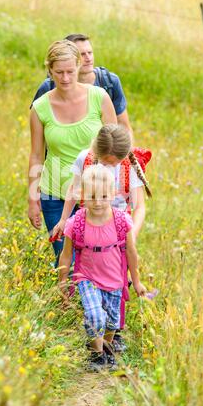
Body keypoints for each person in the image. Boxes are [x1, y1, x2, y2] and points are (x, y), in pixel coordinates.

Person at [52, 124, 152, 352]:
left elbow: (139, 207)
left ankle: (114, 331)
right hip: (89, 222)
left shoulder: (129, 165)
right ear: (97, 152)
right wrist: (63, 219)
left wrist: (131, 236)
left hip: (119, 228)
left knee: (118, 277)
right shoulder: (84, 159)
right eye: (106, 162)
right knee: (89, 268)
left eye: (114, 163)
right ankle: (91, 321)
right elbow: (73, 190)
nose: (110, 167)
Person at [28, 40, 117, 264]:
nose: (65, 78)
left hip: (94, 193)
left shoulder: (99, 98)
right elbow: (37, 155)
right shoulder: (40, 108)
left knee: (97, 260)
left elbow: (115, 150)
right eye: (59, 72)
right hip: (54, 193)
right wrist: (32, 198)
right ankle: (65, 299)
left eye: (70, 71)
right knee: (64, 261)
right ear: (49, 70)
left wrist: (120, 191)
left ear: (79, 66)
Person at [58, 165, 147, 372]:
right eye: (92, 196)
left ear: (114, 194)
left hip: (115, 278)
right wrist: (62, 281)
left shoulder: (122, 221)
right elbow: (66, 253)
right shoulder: (76, 223)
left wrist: (137, 279)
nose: (98, 202)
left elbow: (131, 253)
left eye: (104, 196)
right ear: (82, 195)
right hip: (87, 277)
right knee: (95, 314)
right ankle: (96, 355)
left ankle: (105, 347)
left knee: (111, 321)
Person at [30, 34, 133, 141]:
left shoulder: (108, 83)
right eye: (83, 54)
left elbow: (123, 127)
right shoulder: (48, 87)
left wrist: (127, 155)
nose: (88, 58)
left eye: (90, 53)